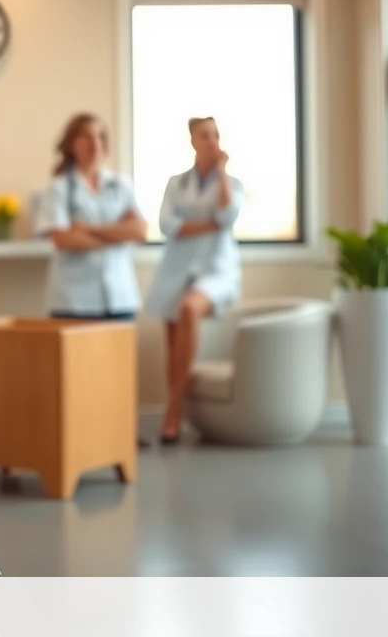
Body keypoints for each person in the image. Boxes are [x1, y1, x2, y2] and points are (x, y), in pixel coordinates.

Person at [145, 116, 244, 444]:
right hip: (176, 268)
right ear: (193, 141)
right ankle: (174, 412)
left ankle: (172, 411)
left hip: (216, 269)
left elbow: (226, 219)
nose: (212, 140)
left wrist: (223, 175)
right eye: (205, 135)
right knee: (173, 347)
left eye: (216, 134)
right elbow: (167, 225)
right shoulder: (176, 183)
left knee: (189, 310)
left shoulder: (232, 184)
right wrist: (207, 225)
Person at [36, 113, 148, 320]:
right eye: (87, 137)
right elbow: (64, 240)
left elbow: (140, 231)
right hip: (74, 299)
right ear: (71, 144)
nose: (95, 143)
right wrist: (118, 235)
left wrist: (89, 229)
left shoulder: (120, 184)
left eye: (100, 136)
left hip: (119, 297)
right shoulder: (59, 188)